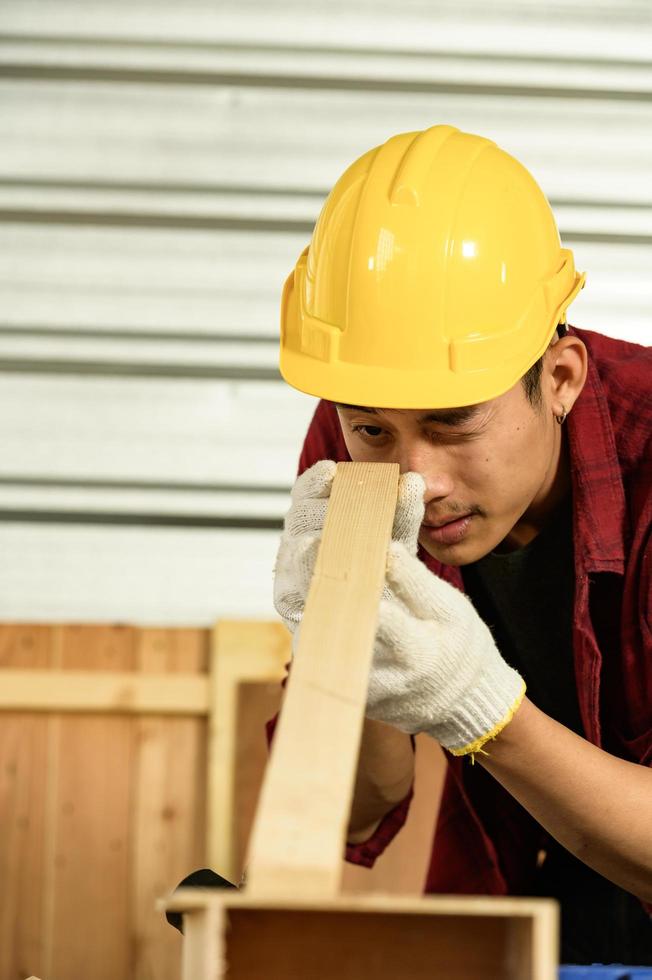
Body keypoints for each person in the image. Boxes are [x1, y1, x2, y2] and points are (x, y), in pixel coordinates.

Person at [269, 124, 652, 965]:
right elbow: (357, 811)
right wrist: (339, 645)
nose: (416, 477)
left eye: (452, 423)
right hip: (533, 903)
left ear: (560, 378)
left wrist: (484, 712)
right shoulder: (352, 451)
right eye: (372, 427)